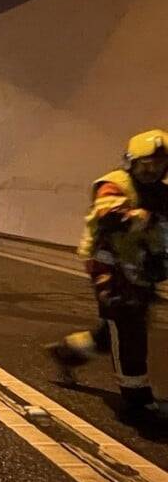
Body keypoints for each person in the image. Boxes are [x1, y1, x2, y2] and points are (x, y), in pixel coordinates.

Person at [47, 129, 168, 423]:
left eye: (159, 164)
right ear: (131, 162)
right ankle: (137, 403)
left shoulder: (161, 194)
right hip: (110, 270)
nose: (151, 171)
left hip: (138, 272)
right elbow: (109, 215)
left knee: (109, 332)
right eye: (146, 164)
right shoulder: (114, 184)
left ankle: (67, 352)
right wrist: (140, 218)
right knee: (128, 328)